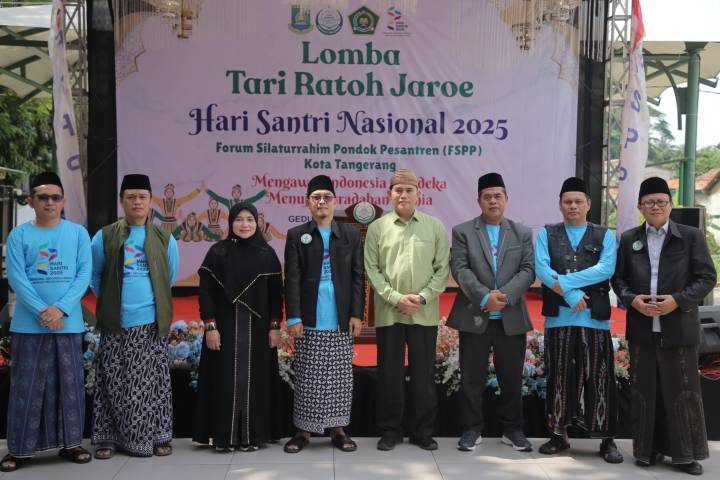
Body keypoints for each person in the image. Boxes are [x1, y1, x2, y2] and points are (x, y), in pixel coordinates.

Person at [613, 177, 716, 476]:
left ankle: (686, 455)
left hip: (678, 327)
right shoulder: (629, 239)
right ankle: (647, 451)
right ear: (639, 207)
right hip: (642, 328)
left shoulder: (690, 236)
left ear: (670, 205)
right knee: (644, 392)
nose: (655, 206)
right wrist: (633, 300)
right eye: (649, 202)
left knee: (682, 392)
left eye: (661, 201)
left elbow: (706, 277)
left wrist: (678, 301)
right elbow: (618, 280)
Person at [2, 172, 92, 472]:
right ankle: (19, 450)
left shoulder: (78, 234)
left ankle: (71, 444)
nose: (49, 202)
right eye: (43, 197)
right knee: (26, 388)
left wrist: (60, 310)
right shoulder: (18, 236)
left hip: (68, 324)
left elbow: (83, 274)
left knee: (70, 386)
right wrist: (43, 310)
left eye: (55, 197)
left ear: (63, 201)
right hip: (29, 326)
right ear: (31, 201)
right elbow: (17, 278)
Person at [90, 174, 180, 458]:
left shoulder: (164, 238)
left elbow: (169, 277)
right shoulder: (105, 236)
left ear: (151, 200)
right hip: (116, 322)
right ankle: (109, 439)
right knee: (113, 382)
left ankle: (158, 436)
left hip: (150, 323)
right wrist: (111, 301)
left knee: (153, 384)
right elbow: (95, 275)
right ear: (122, 201)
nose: (137, 202)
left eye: (142, 197)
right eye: (131, 197)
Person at [534, 177, 623, 463]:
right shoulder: (547, 233)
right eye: (567, 202)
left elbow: (605, 268)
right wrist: (570, 295)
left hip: (594, 319)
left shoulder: (603, 234)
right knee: (558, 376)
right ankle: (558, 435)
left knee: (599, 377)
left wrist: (564, 284)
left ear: (588, 204)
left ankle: (606, 439)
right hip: (558, 319)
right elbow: (541, 268)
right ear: (560, 205)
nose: (572, 206)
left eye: (578, 201)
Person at [447, 173, 535, 452]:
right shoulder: (463, 231)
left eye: (498, 196)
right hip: (475, 313)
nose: (493, 201)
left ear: (506, 199)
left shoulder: (522, 232)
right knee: (472, 378)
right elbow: (460, 268)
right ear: (479, 201)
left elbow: (528, 269)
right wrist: (485, 297)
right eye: (487, 197)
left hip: (511, 316)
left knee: (511, 378)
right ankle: (471, 429)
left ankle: (513, 429)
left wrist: (504, 297)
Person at [364, 168, 450, 451]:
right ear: (390, 194)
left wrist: (422, 298)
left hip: (423, 314)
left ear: (418, 194)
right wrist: (395, 298)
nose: (403, 195)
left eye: (408, 190)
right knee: (389, 374)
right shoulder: (377, 228)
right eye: (398, 190)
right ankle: (390, 430)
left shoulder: (434, 227)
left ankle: (422, 431)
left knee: (423, 375)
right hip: (390, 312)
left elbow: (442, 269)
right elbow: (372, 269)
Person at [283, 175, 364, 453]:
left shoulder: (350, 234)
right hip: (308, 317)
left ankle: (338, 430)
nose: (321, 202)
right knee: (308, 376)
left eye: (326, 197)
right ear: (308, 202)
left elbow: (358, 276)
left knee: (339, 377)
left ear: (335, 202)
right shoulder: (297, 235)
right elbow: (292, 278)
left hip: (340, 317)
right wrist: (294, 316)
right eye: (316, 197)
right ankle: (303, 431)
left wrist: (356, 314)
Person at [193, 203, 283, 452]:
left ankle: (252, 436)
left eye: (250, 220)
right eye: (239, 219)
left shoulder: (267, 254)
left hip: (258, 329)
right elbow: (206, 292)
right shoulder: (218, 252)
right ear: (231, 222)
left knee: (255, 381)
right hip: (224, 328)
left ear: (257, 223)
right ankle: (225, 436)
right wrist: (210, 326)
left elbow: (276, 295)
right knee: (225, 380)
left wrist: (275, 326)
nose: (244, 225)